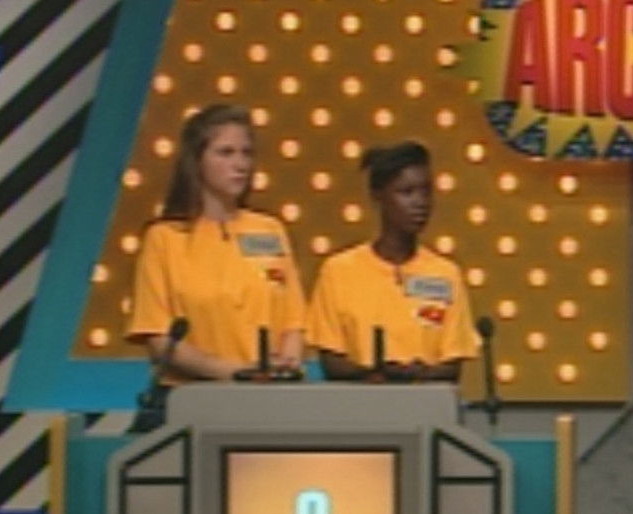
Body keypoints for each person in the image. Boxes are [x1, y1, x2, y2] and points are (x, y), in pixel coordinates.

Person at [127, 104, 306, 383]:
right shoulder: (165, 238)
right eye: (226, 153)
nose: (241, 165)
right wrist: (234, 373)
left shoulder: (270, 230)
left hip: (271, 393)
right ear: (196, 161)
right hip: (196, 395)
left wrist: (286, 366)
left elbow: (294, 321)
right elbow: (158, 338)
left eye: (247, 153)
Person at [306, 141, 478, 382]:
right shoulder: (338, 271)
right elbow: (331, 362)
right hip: (359, 402)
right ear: (378, 196)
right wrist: (375, 374)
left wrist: (419, 374)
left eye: (426, 192)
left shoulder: (446, 274)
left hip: (425, 402)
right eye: (407, 192)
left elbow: (452, 365)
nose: (420, 203)